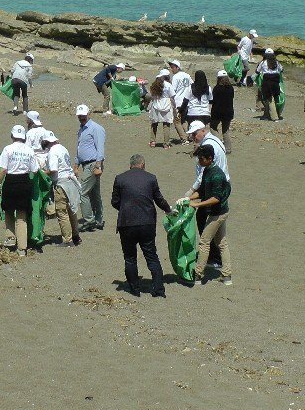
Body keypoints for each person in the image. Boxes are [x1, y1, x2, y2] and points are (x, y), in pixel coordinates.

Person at [111, 154, 171, 297]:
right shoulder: (151, 178)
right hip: (147, 222)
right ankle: (158, 289)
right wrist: (169, 210)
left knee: (130, 257)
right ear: (143, 165)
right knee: (151, 256)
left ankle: (134, 289)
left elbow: (114, 201)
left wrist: (126, 208)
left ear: (130, 165)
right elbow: (159, 199)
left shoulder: (120, 178)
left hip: (127, 223)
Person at [184, 144, 231, 285]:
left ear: (209, 158)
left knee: (204, 242)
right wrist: (189, 198)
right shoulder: (207, 171)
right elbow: (203, 192)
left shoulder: (217, 174)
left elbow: (215, 198)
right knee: (222, 243)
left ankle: (198, 275)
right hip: (218, 212)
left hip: (218, 213)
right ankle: (227, 275)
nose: (199, 161)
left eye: (201, 159)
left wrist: (197, 204)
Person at [0, 125, 37, 256]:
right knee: (21, 217)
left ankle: (10, 239)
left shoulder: (8, 149)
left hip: (10, 182)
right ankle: (22, 248)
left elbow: (3, 170)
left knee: (8, 211)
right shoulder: (29, 150)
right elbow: (35, 170)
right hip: (24, 182)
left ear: (12, 136)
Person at [44, 132, 82, 247]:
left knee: (62, 212)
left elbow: (53, 170)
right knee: (72, 211)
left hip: (61, 183)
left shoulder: (52, 152)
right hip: (70, 181)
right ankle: (76, 236)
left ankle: (67, 239)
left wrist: (43, 172)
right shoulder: (63, 148)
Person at [75, 104, 106, 232]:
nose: (81, 117)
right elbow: (79, 147)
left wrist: (98, 165)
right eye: (79, 116)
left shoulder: (96, 128)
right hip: (86, 164)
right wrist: (76, 164)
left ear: (88, 114)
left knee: (82, 192)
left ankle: (89, 220)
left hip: (93, 164)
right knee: (94, 193)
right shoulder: (82, 129)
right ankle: (98, 220)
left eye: (83, 115)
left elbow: (100, 148)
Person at [147, 70, 175, 148]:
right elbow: (172, 96)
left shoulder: (154, 84)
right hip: (166, 105)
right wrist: (175, 106)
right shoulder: (168, 85)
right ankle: (166, 144)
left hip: (156, 104)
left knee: (154, 123)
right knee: (166, 124)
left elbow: (152, 95)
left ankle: (152, 142)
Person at [210, 70, 235, 152]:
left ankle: (218, 143)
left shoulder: (217, 88)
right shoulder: (231, 88)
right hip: (228, 112)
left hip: (217, 112)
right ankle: (228, 148)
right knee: (225, 130)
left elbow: (212, 100)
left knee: (213, 128)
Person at [256, 49, 284, 120]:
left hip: (267, 82)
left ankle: (274, 117)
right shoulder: (276, 62)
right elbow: (281, 69)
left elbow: (257, 71)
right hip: (275, 82)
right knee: (273, 98)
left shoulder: (263, 62)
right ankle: (266, 115)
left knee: (268, 99)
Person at [168, 60, 192, 141]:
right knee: (184, 120)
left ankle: (184, 138)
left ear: (177, 67)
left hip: (179, 102)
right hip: (187, 101)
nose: (171, 69)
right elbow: (192, 85)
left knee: (177, 121)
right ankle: (189, 135)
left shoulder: (176, 77)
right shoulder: (187, 75)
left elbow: (173, 90)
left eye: (173, 67)